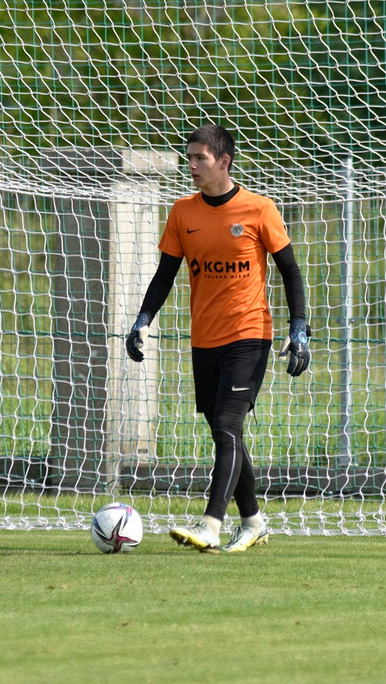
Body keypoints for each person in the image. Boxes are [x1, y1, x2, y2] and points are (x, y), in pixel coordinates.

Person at [125, 124, 310, 554]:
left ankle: (210, 523)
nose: (190, 166)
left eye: (199, 159)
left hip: (249, 335)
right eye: (188, 158)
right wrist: (143, 319)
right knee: (224, 433)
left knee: (228, 425)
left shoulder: (259, 209)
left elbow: (290, 272)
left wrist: (298, 327)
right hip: (203, 340)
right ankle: (254, 521)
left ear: (224, 162)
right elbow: (165, 275)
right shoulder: (182, 213)